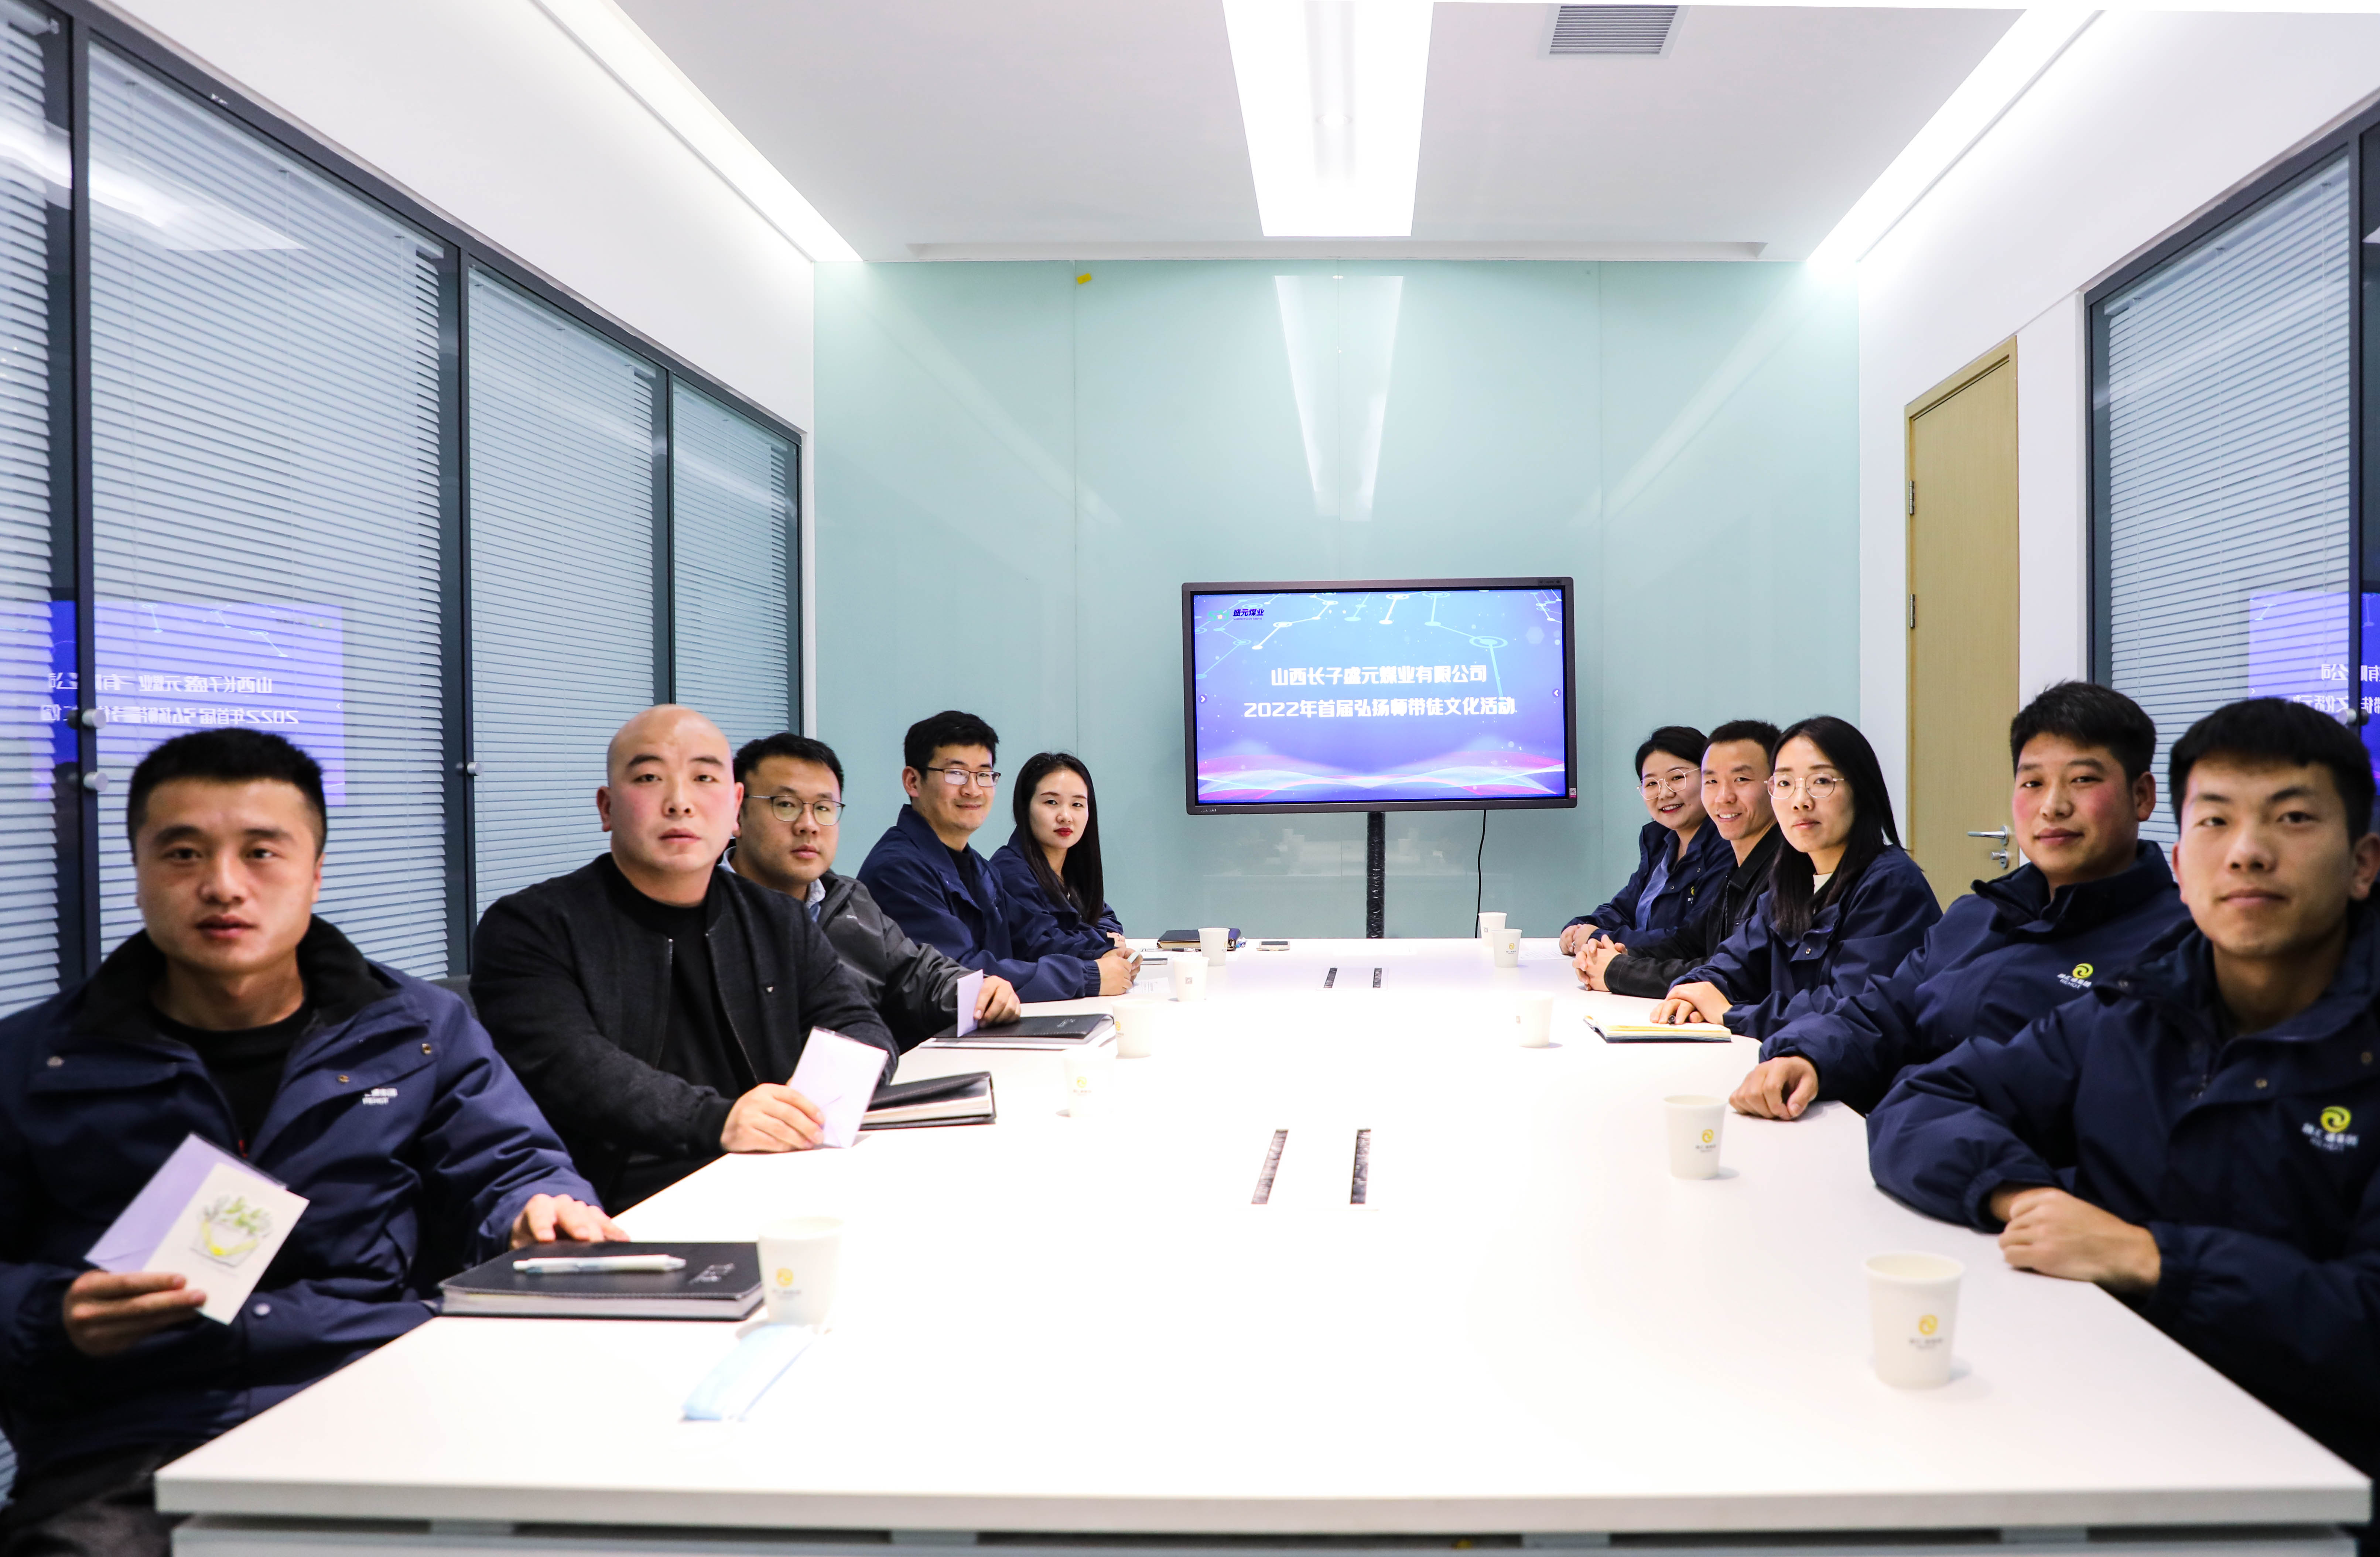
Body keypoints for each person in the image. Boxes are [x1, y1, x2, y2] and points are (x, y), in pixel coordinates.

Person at [0, 729, 616, 1557]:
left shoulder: (415, 1031)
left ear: (315, 871)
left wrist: (537, 1206)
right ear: (138, 871)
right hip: (134, 1436)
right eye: (183, 854)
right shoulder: (34, 1060)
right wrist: (49, 1312)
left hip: (376, 1395)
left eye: (262, 852)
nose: (224, 885)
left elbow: (508, 1163)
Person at [1868, 697, 2380, 1487]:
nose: (2246, 852)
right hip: (2093, 1418)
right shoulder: (2133, 1011)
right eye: (2214, 821)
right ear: (2180, 861)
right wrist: (2020, 1195)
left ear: (2362, 863)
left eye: (2292, 819)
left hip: (2302, 1485)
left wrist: (2149, 1257)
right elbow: (1923, 1103)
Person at [472, 706, 899, 1209]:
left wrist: (810, 1110)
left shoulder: (777, 919)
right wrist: (722, 1121)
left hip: (780, 1180)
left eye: (703, 778)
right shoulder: (531, 927)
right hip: (614, 1211)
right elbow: (574, 1072)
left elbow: (858, 1026)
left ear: (735, 807)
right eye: (650, 778)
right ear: (607, 808)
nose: (680, 802)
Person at [1734, 683, 2188, 1119]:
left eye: (2083, 779)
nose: (2053, 806)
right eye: (2032, 783)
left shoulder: (2178, 949)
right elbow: (1887, 1010)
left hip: (1961, 1154)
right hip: (1900, 1141)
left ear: (2142, 796)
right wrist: (1808, 1056)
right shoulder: (1979, 915)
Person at [726, 732, 1020, 1049]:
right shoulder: (706, 912)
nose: (808, 825)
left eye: (824, 808)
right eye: (786, 805)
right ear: (736, 814)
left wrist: (979, 992)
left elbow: (917, 974)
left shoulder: (847, 900)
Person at [1654, 715, 1940, 1037]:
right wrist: (1691, 993)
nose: (1800, 802)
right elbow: (1732, 964)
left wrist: (1732, 1014)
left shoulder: (1890, 884)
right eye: (1785, 784)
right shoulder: (1792, 883)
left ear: (1861, 789)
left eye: (1821, 782)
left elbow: (1854, 1010)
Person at [858, 711, 1137, 1002]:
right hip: (933, 1030)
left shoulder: (980, 870)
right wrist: (1088, 976)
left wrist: (1104, 956)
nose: (972, 790)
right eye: (956, 774)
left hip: (987, 1024)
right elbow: (961, 977)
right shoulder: (898, 870)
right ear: (913, 781)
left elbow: (1028, 941)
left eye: (984, 775)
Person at [1579, 720, 1784, 998]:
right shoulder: (1737, 865)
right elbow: (1690, 942)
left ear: (1777, 785)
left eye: (1741, 780)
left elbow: (1740, 973)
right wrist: (1614, 953)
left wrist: (1618, 970)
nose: (1723, 797)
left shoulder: (1786, 870)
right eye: (1712, 782)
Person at [1558, 726, 1733, 958]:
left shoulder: (1728, 846)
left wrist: (1599, 937)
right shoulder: (1661, 843)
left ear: (1709, 779)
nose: (1665, 794)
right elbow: (1623, 910)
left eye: (1677, 778)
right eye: (1651, 784)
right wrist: (1580, 928)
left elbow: (1693, 940)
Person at [990, 753, 1126, 964]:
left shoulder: (1071, 866)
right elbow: (1041, 944)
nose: (1066, 817)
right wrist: (1102, 943)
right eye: (1052, 802)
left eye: (1077, 805)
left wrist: (1103, 941)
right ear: (1025, 808)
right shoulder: (1010, 870)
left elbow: (1106, 919)